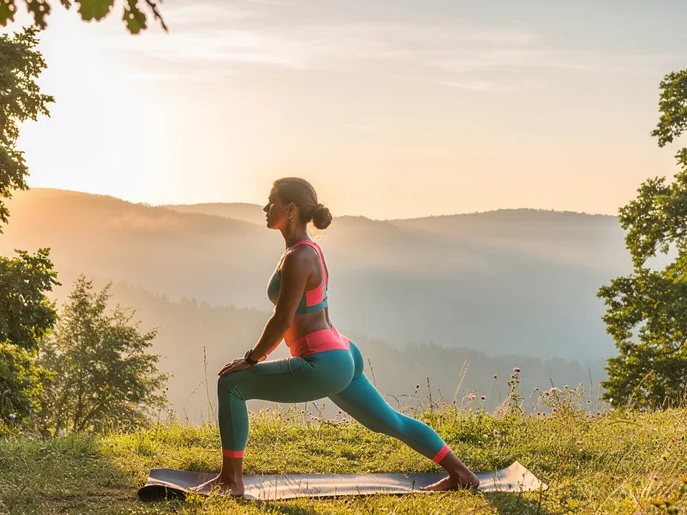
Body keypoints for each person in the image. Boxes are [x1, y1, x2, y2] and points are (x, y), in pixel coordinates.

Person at [195, 177, 481, 496]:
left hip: (323, 362)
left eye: (271, 201)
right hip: (341, 354)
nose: (265, 207)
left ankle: (231, 482)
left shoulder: (298, 256)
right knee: (388, 422)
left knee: (231, 384)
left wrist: (251, 359)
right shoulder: (302, 251)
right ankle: (461, 474)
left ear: (290, 209)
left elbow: (283, 318)